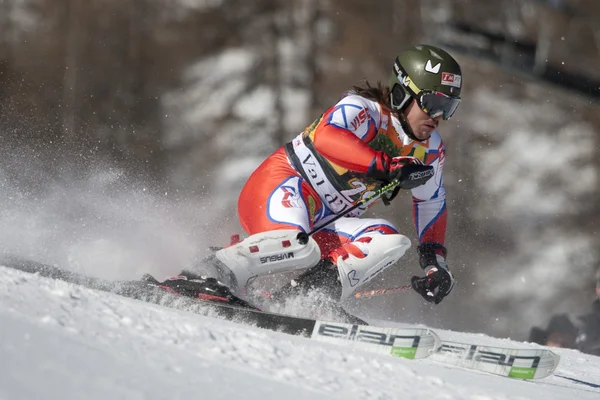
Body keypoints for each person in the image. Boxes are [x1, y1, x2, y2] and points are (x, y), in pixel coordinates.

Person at [157, 45, 463, 308]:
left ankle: (305, 300)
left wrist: (435, 262)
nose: (438, 117)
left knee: (391, 241)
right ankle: (204, 274)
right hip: (284, 185)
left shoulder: (431, 151)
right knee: (296, 245)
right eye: (433, 104)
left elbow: (431, 203)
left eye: (448, 108)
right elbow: (327, 138)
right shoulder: (363, 110)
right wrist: (386, 165)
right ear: (403, 94)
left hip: (327, 221)